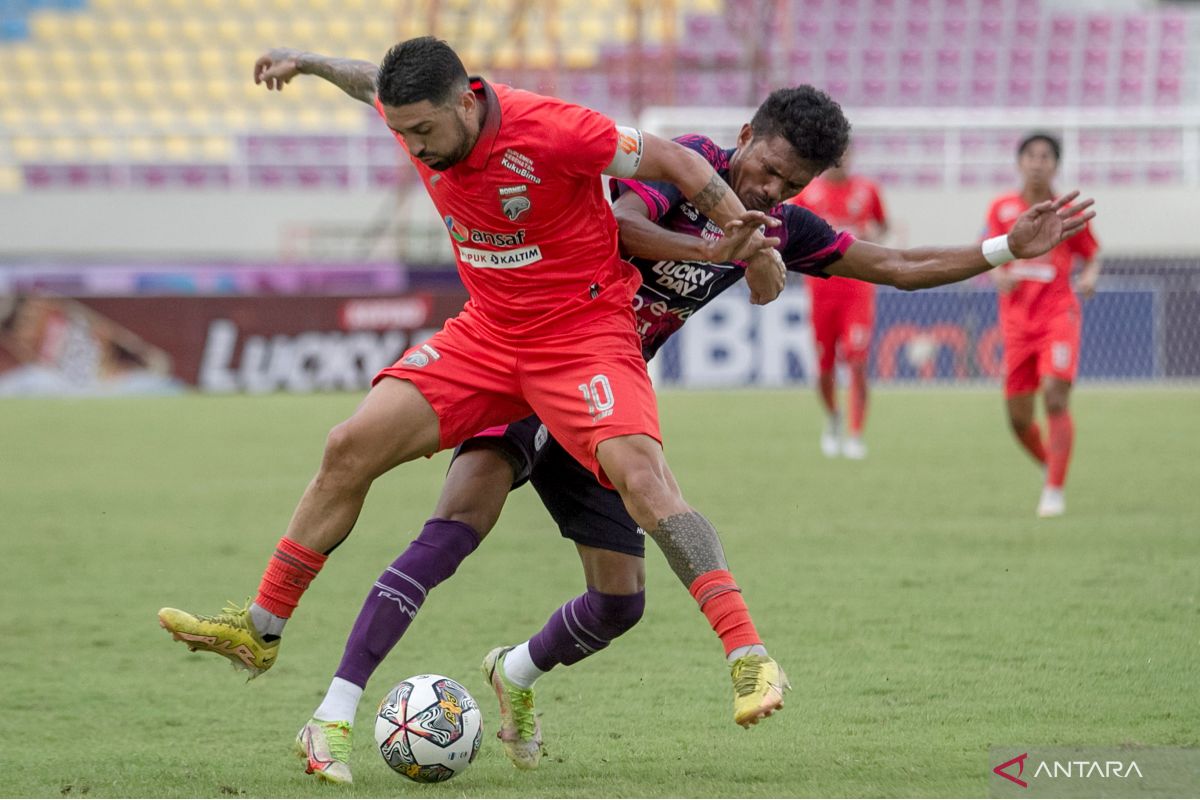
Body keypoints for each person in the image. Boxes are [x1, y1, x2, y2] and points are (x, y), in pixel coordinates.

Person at [270, 81, 1096, 782]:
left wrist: (1000, 249)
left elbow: (895, 266)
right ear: (744, 140)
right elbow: (620, 224)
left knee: (619, 604)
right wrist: (726, 248)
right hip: (541, 354)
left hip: (606, 400)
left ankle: (512, 670)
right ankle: (335, 712)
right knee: (456, 525)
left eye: (794, 184)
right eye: (770, 170)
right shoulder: (683, 169)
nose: (775, 193)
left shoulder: (774, 225)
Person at [157, 34, 794, 769]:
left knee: (644, 481)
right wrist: (307, 62)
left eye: (424, 130)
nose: (415, 148)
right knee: (347, 446)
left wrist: (734, 233)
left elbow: (677, 161)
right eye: (401, 133)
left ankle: (748, 656)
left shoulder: (555, 127)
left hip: (582, 335)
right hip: (487, 335)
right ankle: (260, 628)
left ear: (467, 99)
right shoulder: (416, 116)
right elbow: (367, 78)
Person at [984, 132, 1101, 517]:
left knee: (1054, 396)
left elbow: (1093, 253)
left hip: (1057, 316)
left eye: (1045, 156)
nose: (1037, 162)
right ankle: (1053, 465)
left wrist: (1089, 276)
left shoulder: (1065, 212)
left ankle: (1054, 489)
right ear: (1019, 163)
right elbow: (987, 255)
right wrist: (997, 275)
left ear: (1055, 164)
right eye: (1031, 155)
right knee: (1018, 420)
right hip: (1017, 324)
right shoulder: (1002, 209)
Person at [788, 146, 888, 459]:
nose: (840, 160)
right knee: (824, 368)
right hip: (820, 290)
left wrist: (875, 233)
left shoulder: (867, 191)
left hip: (858, 290)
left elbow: (882, 227)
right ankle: (833, 417)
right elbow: (788, 230)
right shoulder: (808, 193)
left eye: (845, 153)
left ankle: (856, 434)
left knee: (857, 363)